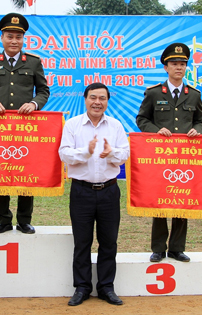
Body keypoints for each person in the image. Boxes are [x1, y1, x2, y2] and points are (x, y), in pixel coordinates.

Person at [0, 13, 50, 235]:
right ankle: (3, 218)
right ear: (2, 38)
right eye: (10, 36)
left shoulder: (34, 62)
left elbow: (44, 91)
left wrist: (34, 105)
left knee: (26, 171)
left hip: (26, 128)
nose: (14, 41)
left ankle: (24, 220)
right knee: (1, 171)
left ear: (23, 39)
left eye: (18, 37)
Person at [59, 83, 129, 307]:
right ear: (85, 99)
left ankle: (106, 287)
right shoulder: (72, 125)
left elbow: (125, 153)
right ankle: (82, 287)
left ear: (108, 101)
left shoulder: (116, 126)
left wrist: (112, 153)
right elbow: (64, 153)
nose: (97, 102)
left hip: (109, 190)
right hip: (81, 191)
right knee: (82, 242)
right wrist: (86, 152)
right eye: (93, 97)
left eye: (102, 98)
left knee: (109, 242)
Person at [136, 43, 202, 263]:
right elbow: (142, 119)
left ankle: (177, 247)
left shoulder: (193, 95)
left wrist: (198, 129)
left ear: (186, 67)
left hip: (185, 157)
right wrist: (156, 131)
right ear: (166, 67)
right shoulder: (154, 93)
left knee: (181, 200)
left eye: (182, 64)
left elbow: (200, 119)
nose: (179, 67)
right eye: (174, 63)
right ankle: (158, 247)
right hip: (159, 156)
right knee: (160, 201)